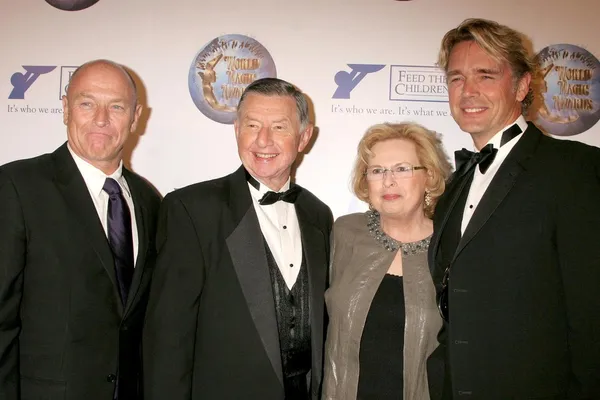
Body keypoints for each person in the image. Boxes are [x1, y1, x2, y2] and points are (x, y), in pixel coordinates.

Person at [428, 18, 600, 399]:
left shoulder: (576, 170)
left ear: (522, 86)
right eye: (456, 78)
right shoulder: (453, 187)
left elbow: (592, 315)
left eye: (485, 75)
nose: (468, 91)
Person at [143, 77, 333, 400]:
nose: (263, 140)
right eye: (252, 125)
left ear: (304, 137)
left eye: (279, 127)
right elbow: (167, 340)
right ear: (236, 130)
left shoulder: (319, 216)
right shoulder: (192, 211)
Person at [0, 59, 161, 399]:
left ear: (135, 117)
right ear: (65, 109)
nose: (100, 119)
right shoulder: (17, 187)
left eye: (116, 106)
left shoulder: (150, 200)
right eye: (86, 103)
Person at [322, 123, 451, 400]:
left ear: (429, 176)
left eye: (402, 169)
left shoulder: (451, 247)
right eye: (377, 171)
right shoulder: (344, 234)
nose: (388, 181)